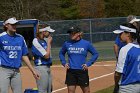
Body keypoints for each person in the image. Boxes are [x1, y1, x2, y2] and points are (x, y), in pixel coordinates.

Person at [0, 17, 40, 93]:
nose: (15, 26)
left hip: (16, 71)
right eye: (12, 24)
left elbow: (24, 55)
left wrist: (33, 71)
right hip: (4, 70)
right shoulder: (1, 37)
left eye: (15, 24)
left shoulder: (20, 38)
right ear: (6, 25)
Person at [59, 26, 98, 93]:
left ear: (78, 33)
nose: (71, 35)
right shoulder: (67, 43)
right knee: (70, 91)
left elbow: (95, 54)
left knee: (86, 91)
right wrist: (64, 62)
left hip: (82, 71)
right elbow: (61, 53)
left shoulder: (86, 43)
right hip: (71, 71)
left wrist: (88, 64)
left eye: (73, 33)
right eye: (70, 33)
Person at [113, 23, 140, 93]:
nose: (119, 36)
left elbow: (118, 73)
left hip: (127, 87)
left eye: (121, 33)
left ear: (128, 34)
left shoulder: (125, 49)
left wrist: (116, 85)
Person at [32, 25, 55, 93]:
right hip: (41, 68)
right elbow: (46, 56)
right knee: (43, 90)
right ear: (44, 32)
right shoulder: (36, 41)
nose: (50, 34)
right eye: (49, 32)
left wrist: (48, 43)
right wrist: (48, 43)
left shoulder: (43, 40)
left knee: (49, 90)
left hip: (47, 67)